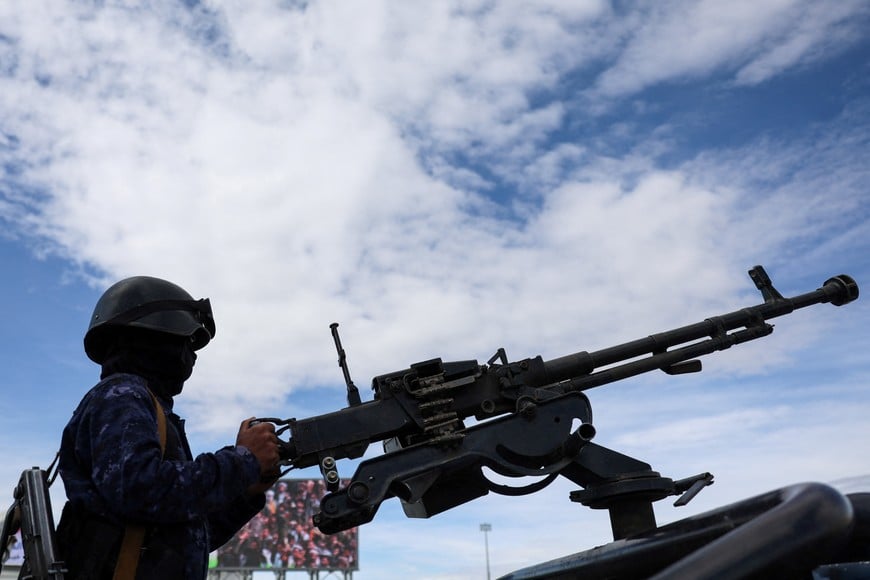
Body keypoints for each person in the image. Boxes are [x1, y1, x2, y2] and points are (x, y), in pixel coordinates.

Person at [56, 276, 281, 579]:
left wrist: (245, 493)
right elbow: (139, 490)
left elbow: (187, 534)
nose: (192, 355)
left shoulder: (147, 406)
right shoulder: (122, 394)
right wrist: (243, 460)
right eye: (187, 341)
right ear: (156, 333)